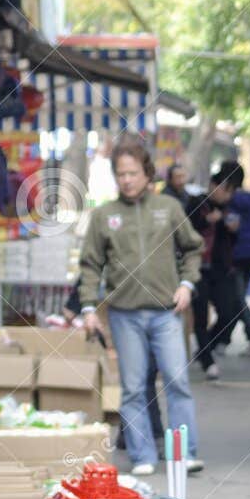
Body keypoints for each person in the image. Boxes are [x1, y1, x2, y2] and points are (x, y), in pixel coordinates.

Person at [78, 139, 205, 476]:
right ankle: (142, 455)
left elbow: (193, 248)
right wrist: (89, 306)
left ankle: (184, 452)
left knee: (177, 381)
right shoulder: (105, 215)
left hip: (167, 312)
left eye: (133, 173)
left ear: (147, 173)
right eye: (121, 174)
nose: (127, 180)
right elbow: (90, 265)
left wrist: (187, 284)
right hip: (124, 314)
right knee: (133, 388)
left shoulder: (169, 208)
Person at [207, 161, 250, 352]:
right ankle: (224, 340)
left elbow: (230, 227)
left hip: (233, 257)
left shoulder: (232, 201)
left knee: (237, 299)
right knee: (237, 298)